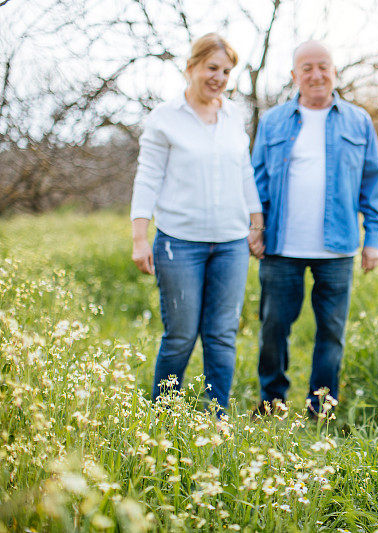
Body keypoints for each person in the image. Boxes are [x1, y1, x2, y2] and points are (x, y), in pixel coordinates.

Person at [250, 40, 378, 417]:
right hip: (280, 247)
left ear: (334, 71)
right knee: (273, 329)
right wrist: (254, 226)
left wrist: (372, 238)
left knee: (331, 334)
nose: (315, 74)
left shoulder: (358, 121)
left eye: (323, 66)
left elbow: (372, 184)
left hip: (338, 249)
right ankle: (271, 400)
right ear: (294, 75)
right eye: (306, 67)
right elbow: (257, 179)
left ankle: (320, 408)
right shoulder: (274, 121)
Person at [130, 33, 265, 414]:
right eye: (212, 68)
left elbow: (244, 172)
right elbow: (147, 179)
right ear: (191, 66)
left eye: (225, 71)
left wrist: (256, 223)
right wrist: (140, 238)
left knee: (222, 336)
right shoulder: (165, 118)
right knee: (181, 335)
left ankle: (216, 419)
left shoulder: (233, 114)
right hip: (179, 243)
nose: (219, 77)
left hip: (231, 244)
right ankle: (162, 418)